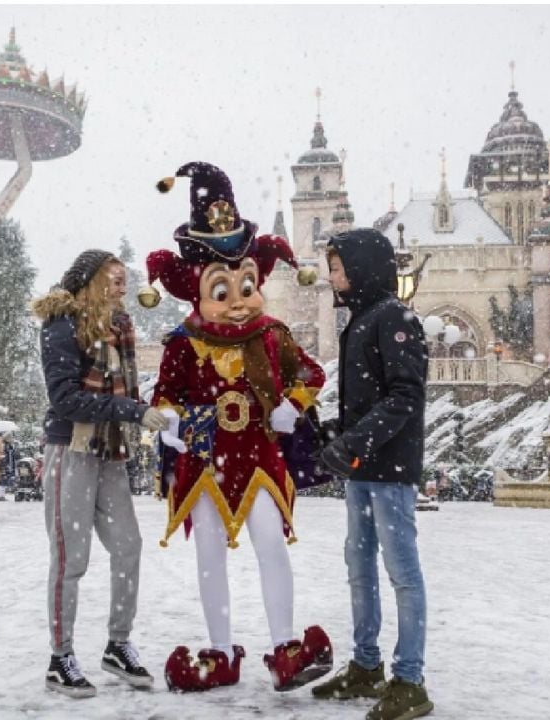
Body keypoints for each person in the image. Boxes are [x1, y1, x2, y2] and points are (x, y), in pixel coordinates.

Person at [146, 161, 332, 693]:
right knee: (208, 551)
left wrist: (293, 405)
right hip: (205, 453)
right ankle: (221, 651)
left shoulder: (271, 334)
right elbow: (165, 393)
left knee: (270, 542)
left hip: (258, 450)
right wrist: (169, 421)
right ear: (198, 291)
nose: (239, 299)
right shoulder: (184, 340)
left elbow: (311, 373)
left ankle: (285, 645)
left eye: (246, 284)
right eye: (222, 289)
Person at [31, 248, 170, 698]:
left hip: (109, 451)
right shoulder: (61, 325)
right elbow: (65, 399)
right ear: (89, 281)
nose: (121, 285)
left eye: (124, 278)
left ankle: (117, 644)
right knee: (71, 558)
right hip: (71, 450)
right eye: (113, 277)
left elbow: (124, 388)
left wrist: (150, 404)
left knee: (128, 547)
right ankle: (61, 656)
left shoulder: (120, 328)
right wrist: (132, 409)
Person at [312, 227, 434, 720]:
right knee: (359, 567)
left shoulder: (396, 319)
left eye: (337, 267)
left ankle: (410, 680)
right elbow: (364, 397)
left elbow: (405, 395)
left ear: (361, 267)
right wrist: (332, 433)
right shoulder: (361, 320)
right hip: (363, 468)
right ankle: (366, 667)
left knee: (401, 571)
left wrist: (356, 442)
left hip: (390, 467)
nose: (332, 276)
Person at [0, 431, 17, 500]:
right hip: (6, 464)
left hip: (7, 464)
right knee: (3, 479)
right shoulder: (5, 445)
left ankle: (3, 494)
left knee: (4, 478)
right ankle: (2, 496)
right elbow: (7, 455)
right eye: (11, 438)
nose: (12, 439)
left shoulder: (7, 445)